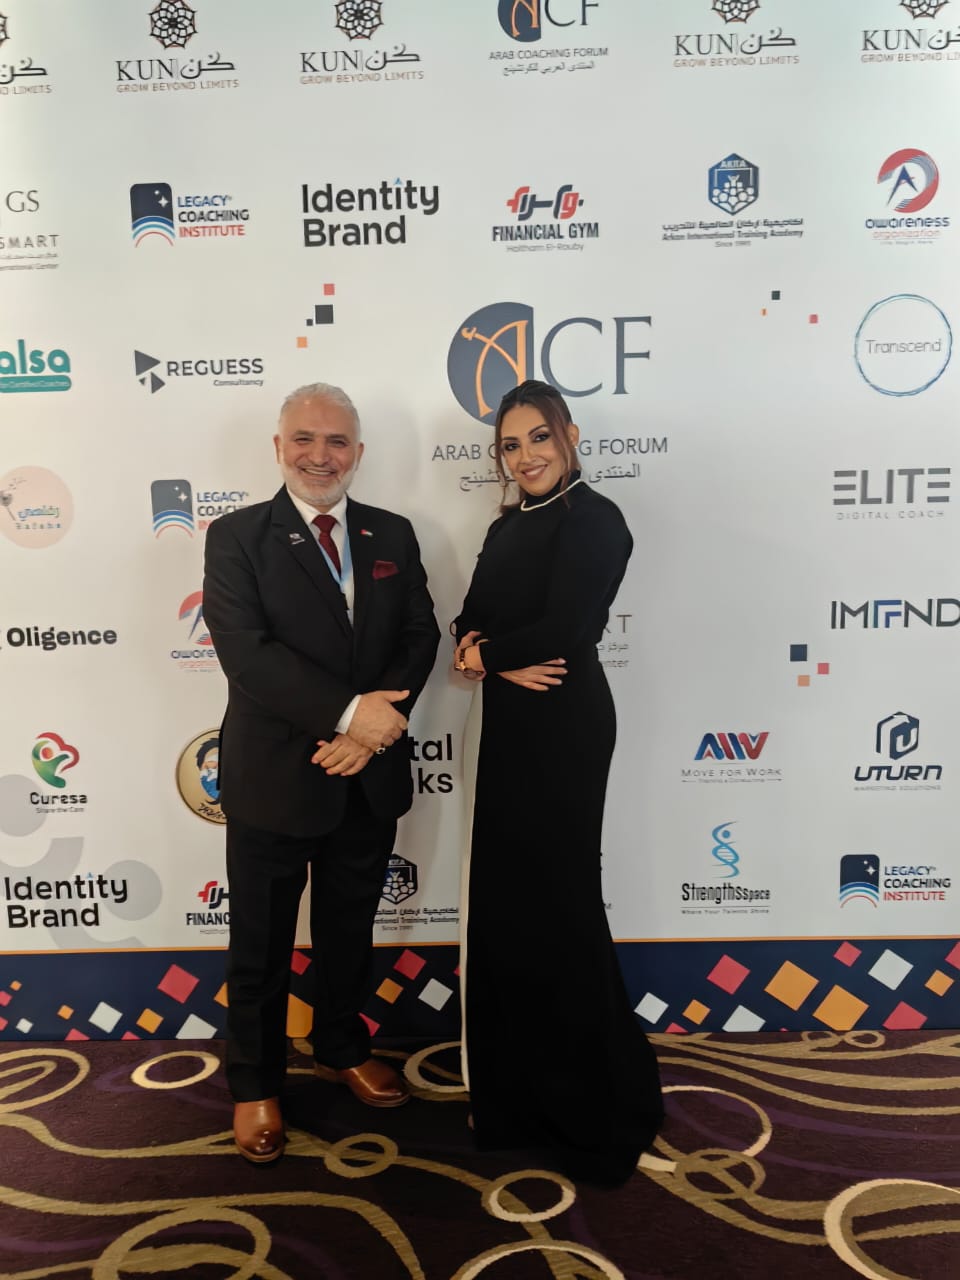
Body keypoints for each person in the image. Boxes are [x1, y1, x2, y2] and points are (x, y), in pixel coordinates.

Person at [203, 381, 440, 1163]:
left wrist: (373, 732)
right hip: (276, 778)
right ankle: (255, 1083)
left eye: (337, 441)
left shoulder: (391, 533)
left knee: (348, 933)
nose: (320, 455)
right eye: (303, 439)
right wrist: (349, 717)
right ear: (279, 448)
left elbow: (419, 633)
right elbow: (249, 656)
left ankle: (341, 1048)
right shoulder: (237, 537)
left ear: (358, 453)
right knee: (261, 944)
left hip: (366, 775)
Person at [452, 379, 663, 1186]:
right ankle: (517, 1099)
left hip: (566, 727)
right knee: (509, 908)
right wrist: (480, 653)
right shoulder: (507, 525)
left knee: (560, 905)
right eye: (511, 445)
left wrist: (486, 655)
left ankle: (593, 1108)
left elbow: (569, 629)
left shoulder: (596, 519)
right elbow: (469, 616)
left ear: (569, 436)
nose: (526, 456)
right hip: (507, 725)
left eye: (539, 437)